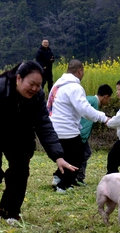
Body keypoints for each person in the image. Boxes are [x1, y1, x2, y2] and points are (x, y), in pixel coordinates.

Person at [0, 61, 75, 224]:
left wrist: (58, 156)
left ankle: (9, 213)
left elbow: (44, 125)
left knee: (20, 172)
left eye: (39, 85)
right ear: (18, 79)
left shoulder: (37, 96)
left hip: (20, 136)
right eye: (31, 84)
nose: (35, 89)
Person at [47, 60, 109, 192]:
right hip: (66, 128)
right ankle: (62, 185)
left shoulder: (57, 85)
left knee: (68, 156)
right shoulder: (74, 87)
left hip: (53, 126)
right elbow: (84, 109)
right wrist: (103, 118)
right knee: (78, 156)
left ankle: (60, 179)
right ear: (80, 71)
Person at [53, 84, 112, 187]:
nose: (108, 102)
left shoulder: (90, 99)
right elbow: (84, 113)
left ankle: (68, 176)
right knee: (79, 155)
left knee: (78, 155)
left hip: (79, 133)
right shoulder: (92, 101)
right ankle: (66, 177)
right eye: (109, 99)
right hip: (78, 134)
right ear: (106, 96)